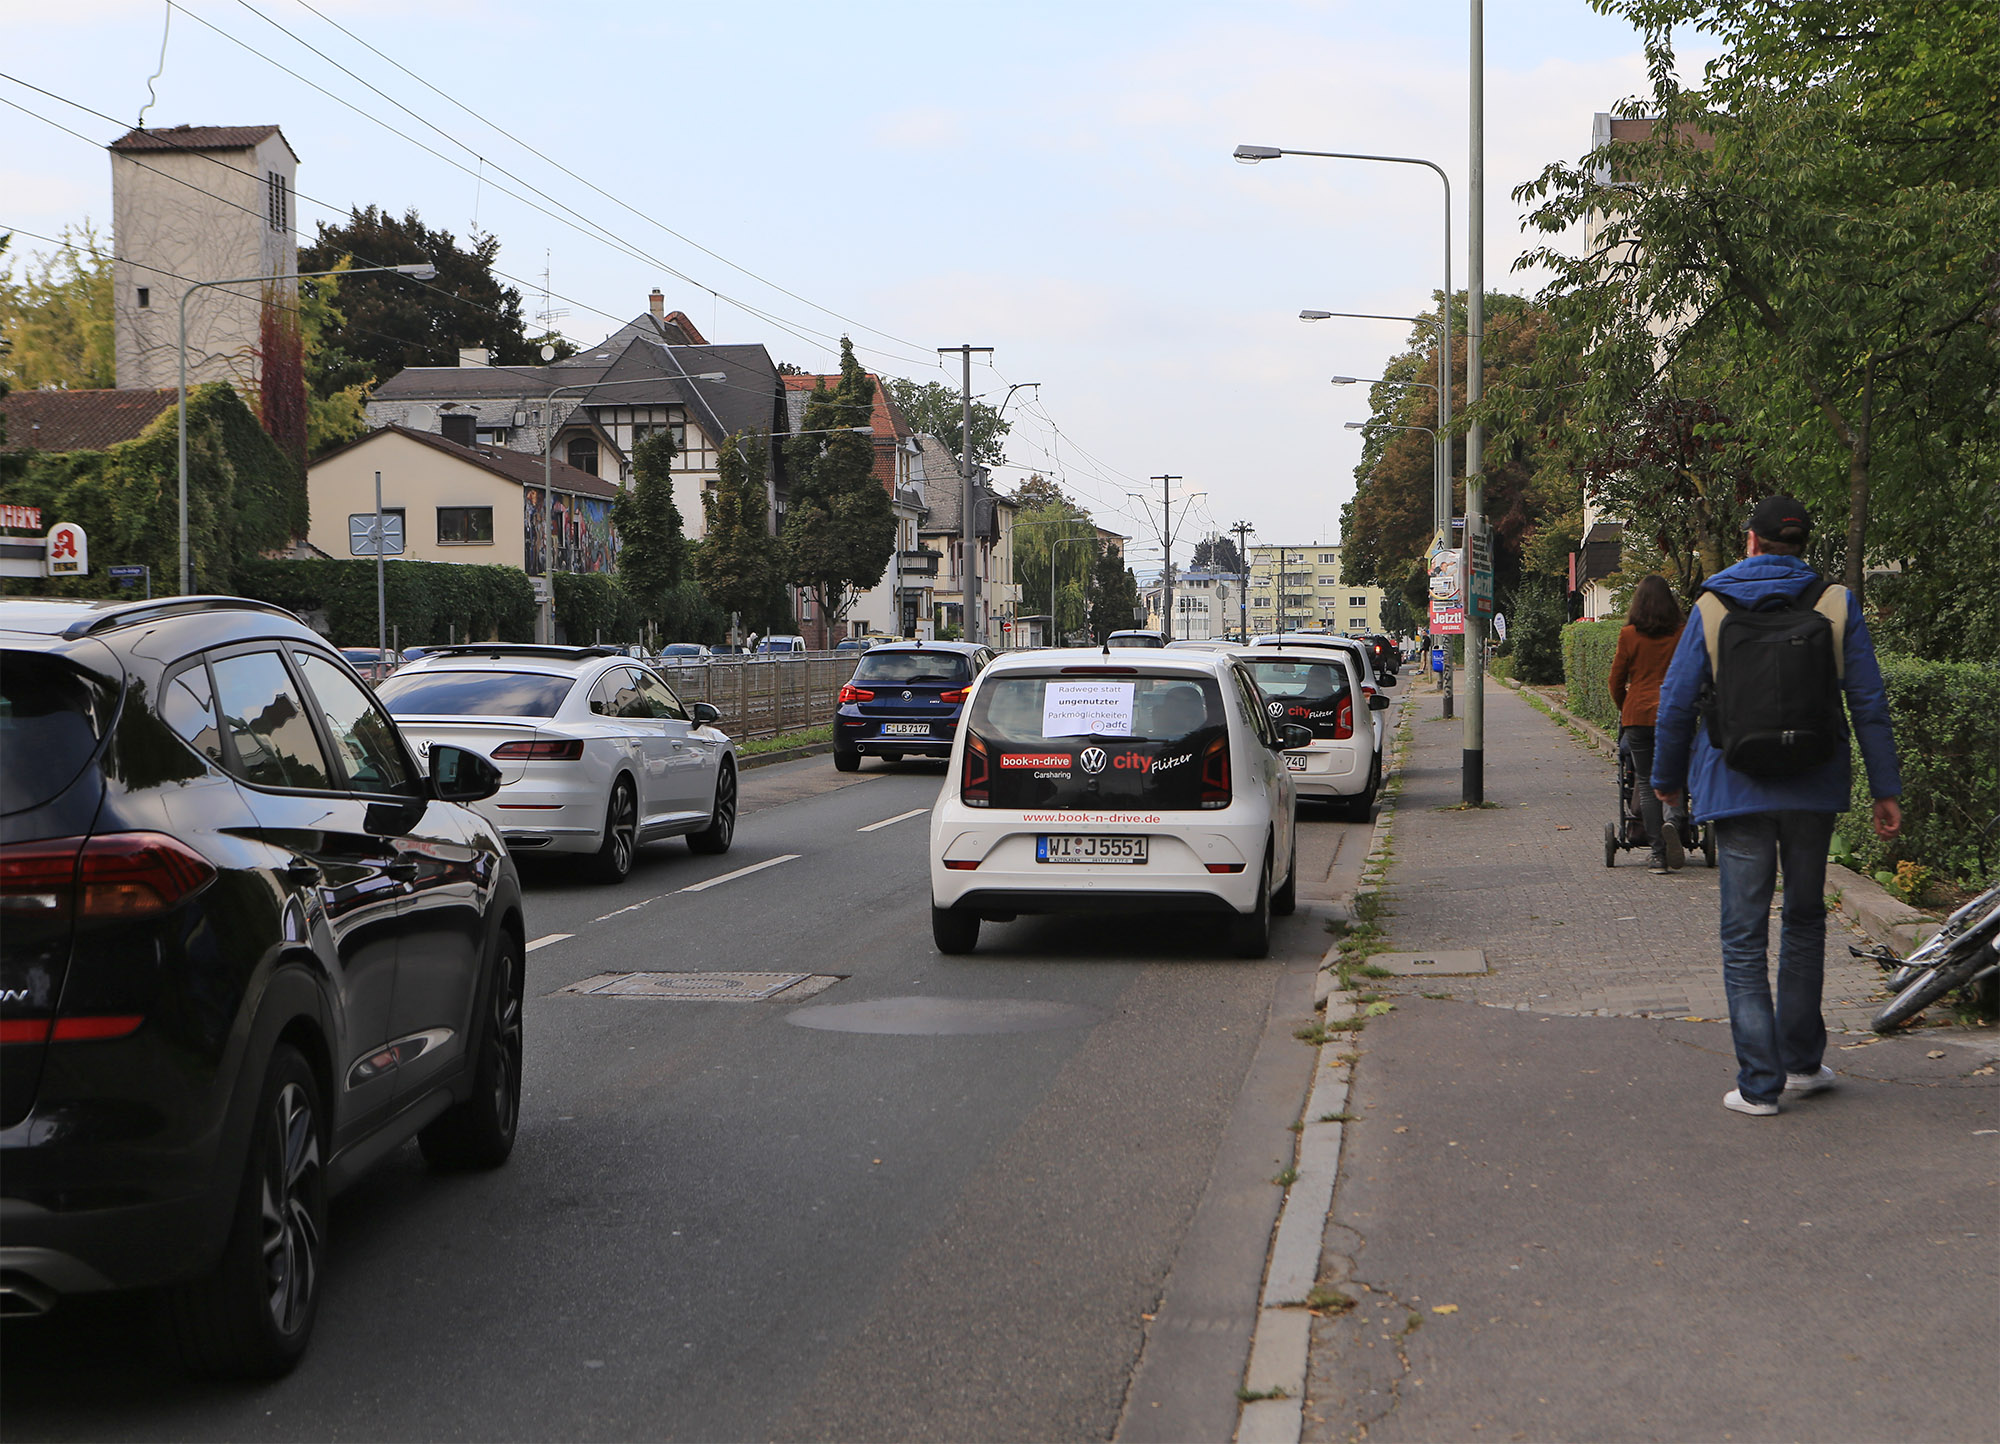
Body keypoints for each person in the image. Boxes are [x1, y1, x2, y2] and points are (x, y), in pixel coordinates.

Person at [1652, 495, 1901, 1118]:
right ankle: (1802, 1063)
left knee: (1743, 936)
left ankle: (1759, 1086)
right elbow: (1868, 702)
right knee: (1806, 921)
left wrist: (1666, 783)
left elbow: (1677, 704)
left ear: (1751, 542)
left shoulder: (1712, 605)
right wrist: (1885, 789)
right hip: (1813, 787)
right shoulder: (1835, 602)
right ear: (1800, 543)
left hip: (1737, 789)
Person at [1609, 575, 1687, 873]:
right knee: (1675, 775)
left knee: (1645, 780)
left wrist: (1625, 707)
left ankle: (1658, 854)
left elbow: (1615, 680)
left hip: (1638, 716)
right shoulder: (1681, 633)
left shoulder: (1629, 634)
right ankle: (1673, 821)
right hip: (1674, 714)